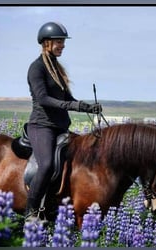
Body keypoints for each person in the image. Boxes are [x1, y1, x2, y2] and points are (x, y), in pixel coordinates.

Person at [25, 21, 101, 223]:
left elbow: (68, 99)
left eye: (63, 42)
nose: (62, 45)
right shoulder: (36, 68)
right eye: (59, 41)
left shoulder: (57, 69)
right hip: (42, 126)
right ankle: (31, 212)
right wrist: (71, 107)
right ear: (46, 42)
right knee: (47, 164)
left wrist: (86, 107)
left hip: (61, 126)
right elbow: (43, 99)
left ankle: (54, 204)